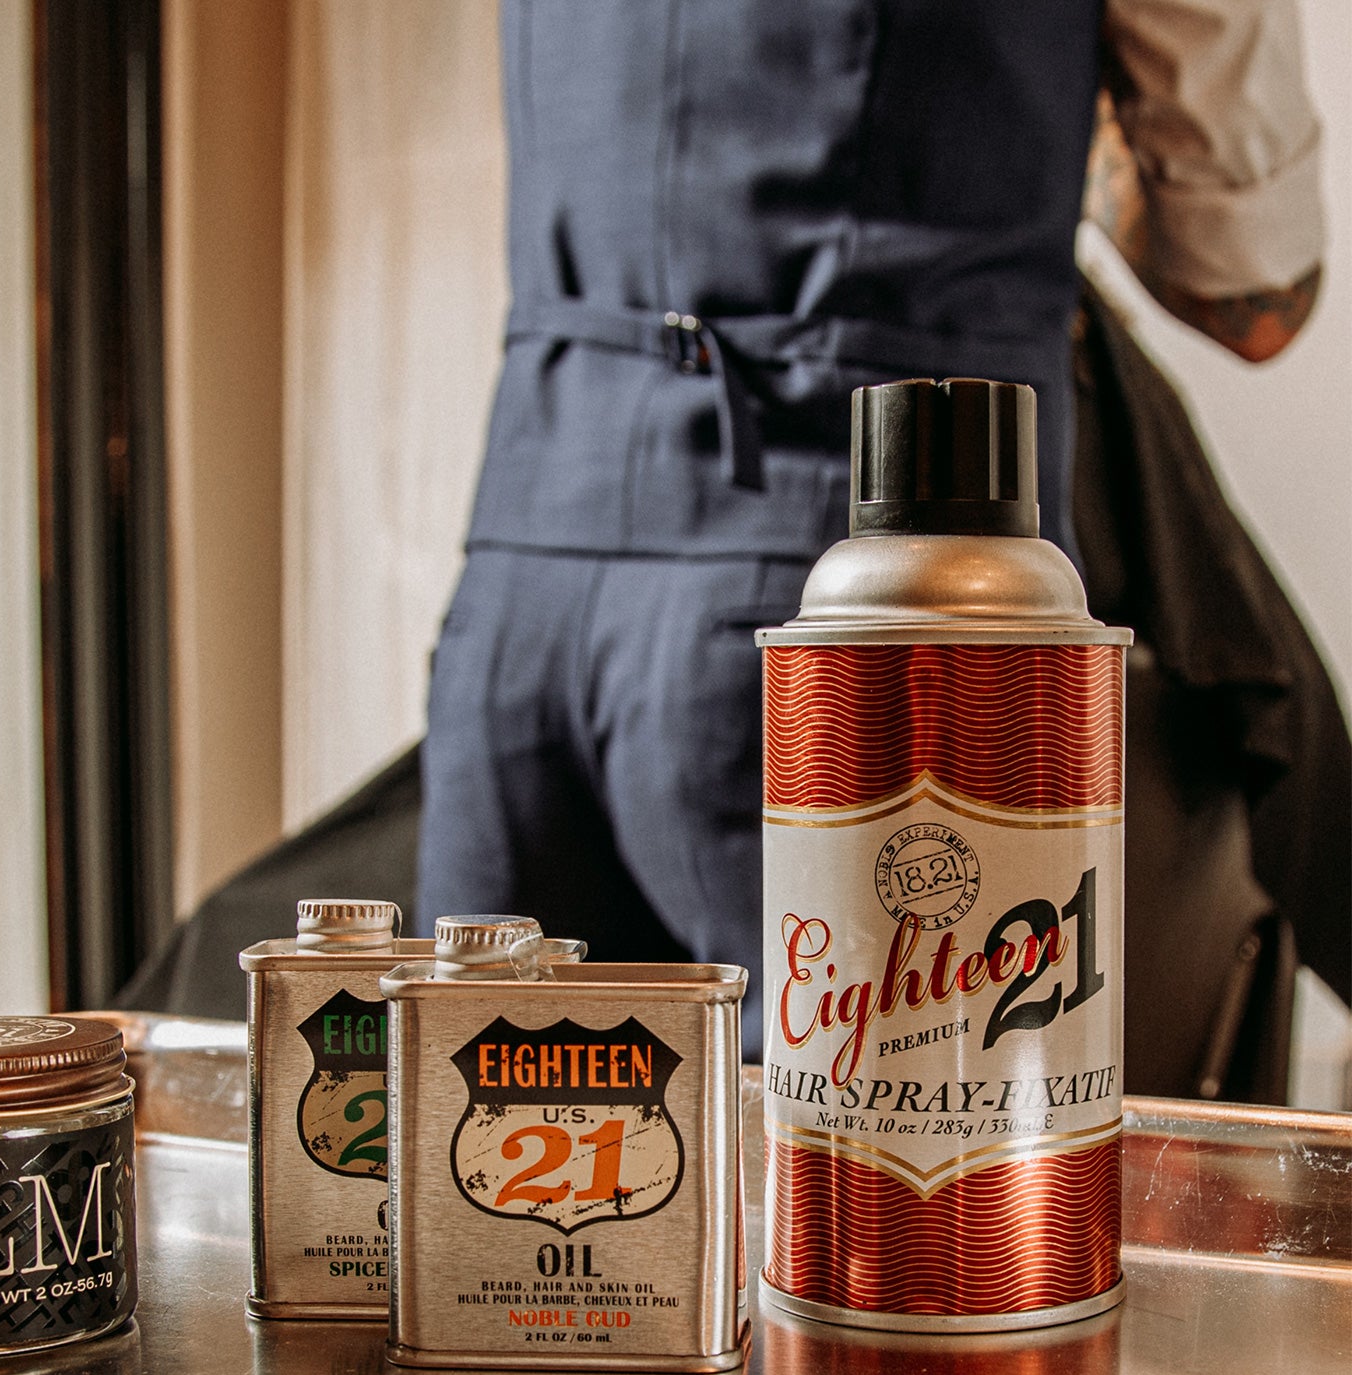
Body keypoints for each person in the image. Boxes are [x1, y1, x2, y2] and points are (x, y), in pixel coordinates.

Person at [418, 0, 1326, 1061]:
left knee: (488, 1136)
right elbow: (1249, 286)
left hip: (525, 573)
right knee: (908, 1146)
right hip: (868, 583)